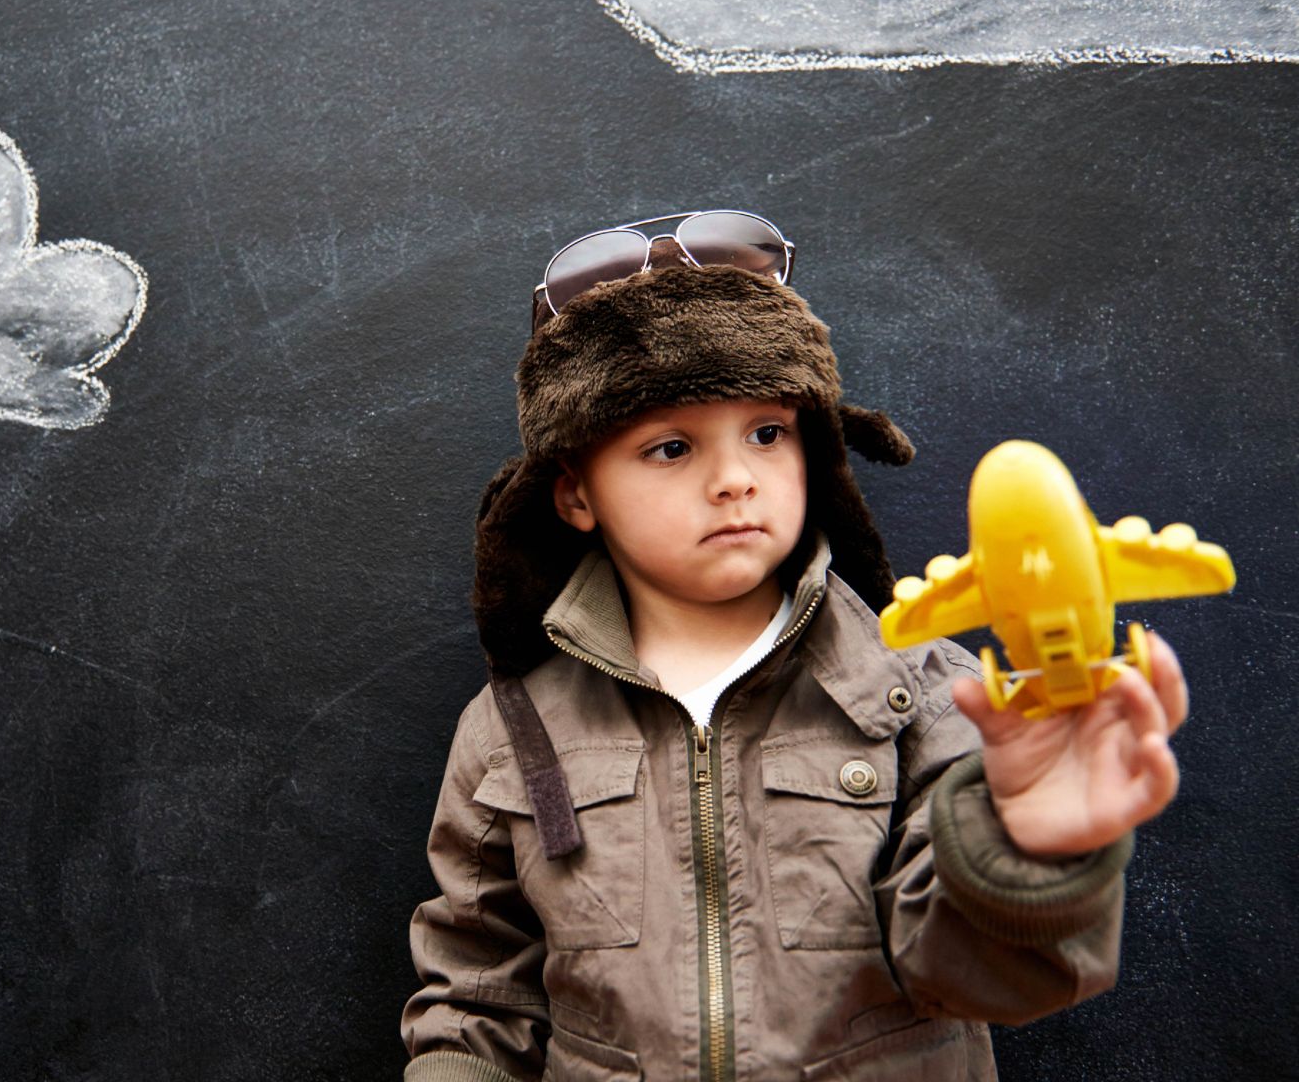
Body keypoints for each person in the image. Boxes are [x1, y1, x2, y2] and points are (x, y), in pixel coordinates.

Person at [399, 213, 1185, 1081]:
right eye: (670, 446)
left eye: (767, 433)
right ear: (576, 494)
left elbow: (981, 978)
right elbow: (477, 1002)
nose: (735, 477)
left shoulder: (928, 693)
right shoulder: (511, 732)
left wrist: (1028, 851)